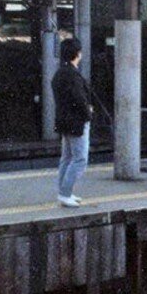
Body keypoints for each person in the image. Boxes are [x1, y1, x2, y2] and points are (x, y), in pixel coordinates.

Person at [52, 37, 93, 207]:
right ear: (77, 53)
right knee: (80, 159)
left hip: (64, 120)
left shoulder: (59, 73)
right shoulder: (73, 75)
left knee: (67, 158)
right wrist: (88, 113)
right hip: (77, 122)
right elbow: (79, 99)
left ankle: (63, 192)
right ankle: (65, 193)